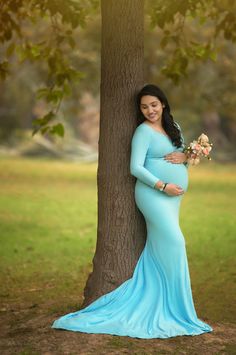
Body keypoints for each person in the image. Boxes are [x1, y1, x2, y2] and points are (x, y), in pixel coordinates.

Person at [51, 84, 213, 338]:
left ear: (163, 104)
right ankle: (176, 309)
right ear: (140, 109)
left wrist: (185, 157)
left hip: (173, 200)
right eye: (144, 106)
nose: (150, 110)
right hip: (153, 196)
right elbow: (136, 167)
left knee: (162, 248)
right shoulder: (143, 132)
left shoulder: (175, 127)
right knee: (176, 242)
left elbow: (179, 156)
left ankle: (172, 304)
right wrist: (163, 186)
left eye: (154, 105)